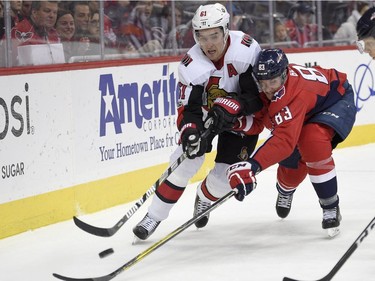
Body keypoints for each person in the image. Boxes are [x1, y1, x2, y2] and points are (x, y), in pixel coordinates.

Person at [133, 3, 263, 240]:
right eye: (202, 37)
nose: (209, 44)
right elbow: (188, 109)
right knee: (183, 163)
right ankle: (153, 216)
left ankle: (204, 196)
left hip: (241, 119)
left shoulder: (246, 49)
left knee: (225, 179)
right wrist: (190, 131)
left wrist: (236, 106)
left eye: (214, 35)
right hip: (206, 114)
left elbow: (259, 97)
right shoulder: (190, 64)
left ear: (226, 30)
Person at [225, 48, 357, 237]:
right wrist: (235, 123)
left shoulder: (295, 92)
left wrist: (253, 165)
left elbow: (285, 140)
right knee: (291, 173)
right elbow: (261, 122)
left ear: (285, 74)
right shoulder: (268, 88)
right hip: (306, 109)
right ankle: (286, 189)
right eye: (263, 83)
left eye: (273, 82)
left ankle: (330, 205)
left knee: (312, 140)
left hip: (334, 100)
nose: (268, 88)